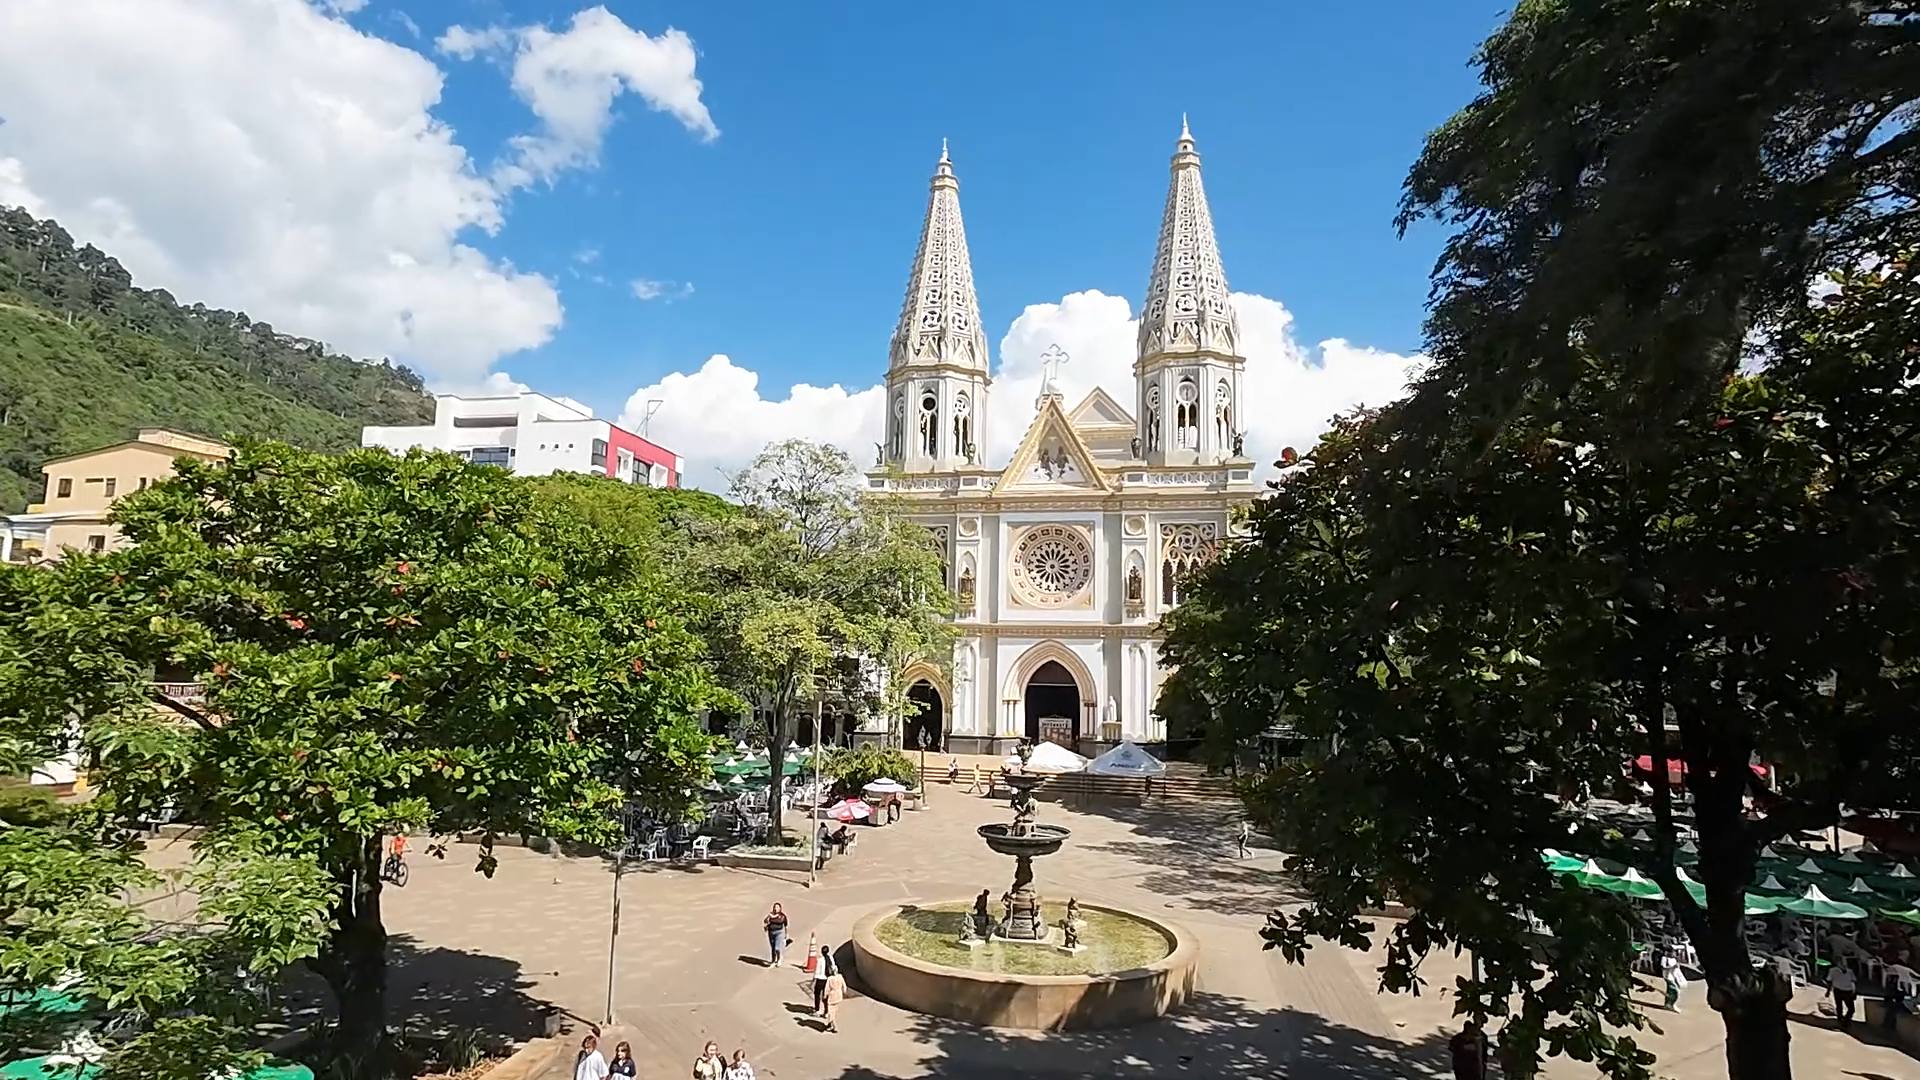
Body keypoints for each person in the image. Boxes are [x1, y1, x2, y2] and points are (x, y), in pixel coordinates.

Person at [1827, 964, 1858, 1029]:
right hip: (1847, 992)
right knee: (1851, 1009)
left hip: (1838, 991)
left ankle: (1840, 1020)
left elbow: (1829, 981)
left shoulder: (1832, 970)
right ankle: (1845, 1021)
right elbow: (1853, 983)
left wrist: (1828, 991)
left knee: (1839, 1006)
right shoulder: (1850, 971)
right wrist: (1854, 992)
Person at [812, 943, 836, 1015]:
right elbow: (834, 967)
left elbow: (817, 971)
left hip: (820, 979)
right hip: (828, 979)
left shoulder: (820, 960)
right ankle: (826, 1011)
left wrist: (813, 980)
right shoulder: (830, 958)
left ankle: (817, 1009)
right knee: (825, 996)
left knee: (817, 994)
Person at [763, 902, 789, 968]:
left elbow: (785, 925)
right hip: (771, 932)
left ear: (780, 908)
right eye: (774, 907)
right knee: (773, 948)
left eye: (777, 907)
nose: (775, 908)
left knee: (777, 948)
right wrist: (768, 917)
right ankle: (773, 960)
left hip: (779, 932)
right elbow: (765, 921)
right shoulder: (771, 915)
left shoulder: (782, 916)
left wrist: (786, 934)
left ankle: (779, 959)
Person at [823, 965, 846, 1034]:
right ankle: (830, 1024)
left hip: (832, 996)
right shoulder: (840, 976)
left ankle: (834, 1027)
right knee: (834, 1011)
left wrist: (825, 995)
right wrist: (844, 992)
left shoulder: (830, 979)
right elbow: (844, 986)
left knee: (831, 1012)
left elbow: (826, 989)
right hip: (839, 995)